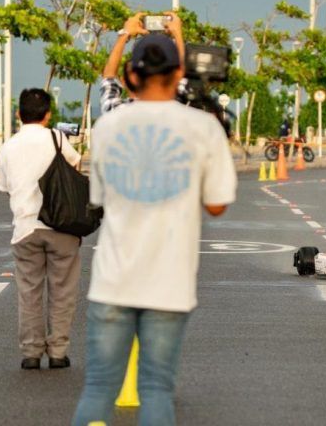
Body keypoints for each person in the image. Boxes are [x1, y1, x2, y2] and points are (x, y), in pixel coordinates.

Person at [72, 31, 237, 425]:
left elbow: (99, 196)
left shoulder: (107, 126)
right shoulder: (203, 127)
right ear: (179, 72)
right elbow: (217, 205)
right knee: (157, 389)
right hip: (169, 283)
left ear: (131, 75)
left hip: (112, 281)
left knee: (98, 388)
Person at [0, 89, 82, 370]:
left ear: (18, 114)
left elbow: (5, 188)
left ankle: (31, 352)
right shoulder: (57, 138)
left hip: (25, 228)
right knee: (63, 291)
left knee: (29, 292)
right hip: (62, 226)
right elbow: (75, 164)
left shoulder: (8, 146)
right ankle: (58, 352)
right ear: (48, 114)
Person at [100, 12, 183, 114]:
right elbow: (184, 77)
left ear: (132, 77)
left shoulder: (115, 111)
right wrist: (177, 34)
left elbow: (109, 76)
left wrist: (125, 34)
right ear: (177, 75)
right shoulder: (182, 110)